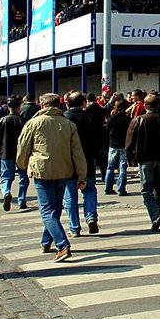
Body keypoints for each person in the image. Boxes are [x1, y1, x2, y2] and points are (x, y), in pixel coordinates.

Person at [16, 93, 88, 262]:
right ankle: (46, 241)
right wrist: (81, 175)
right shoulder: (68, 124)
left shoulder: (33, 123)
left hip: (42, 171)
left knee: (47, 210)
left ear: (42, 105)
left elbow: (23, 147)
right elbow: (77, 152)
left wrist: (23, 164)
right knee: (54, 208)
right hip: (64, 170)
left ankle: (62, 245)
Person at [125, 93, 160, 231]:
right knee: (159, 188)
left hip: (145, 158)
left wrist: (130, 157)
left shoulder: (138, 120)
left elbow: (129, 141)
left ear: (145, 105)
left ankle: (155, 215)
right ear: (158, 105)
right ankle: (157, 213)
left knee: (146, 189)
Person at [63, 92, 103, 236]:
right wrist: (94, 153)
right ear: (84, 103)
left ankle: (74, 227)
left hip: (68, 162)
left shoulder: (64, 119)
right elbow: (101, 138)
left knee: (70, 195)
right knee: (90, 190)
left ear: (67, 103)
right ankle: (91, 216)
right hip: (87, 160)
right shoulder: (90, 118)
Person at [0, 97, 28, 211]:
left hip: (5, 151)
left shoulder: (1, 121)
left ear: (9, 108)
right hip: (21, 153)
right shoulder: (22, 121)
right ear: (19, 108)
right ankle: (21, 200)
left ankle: (6, 192)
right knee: (23, 177)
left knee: (6, 177)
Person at [105, 102, 132, 195]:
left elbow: (107, 131)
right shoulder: (128, 119)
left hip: (113, 144)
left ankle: (108, 188)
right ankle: (121, 189)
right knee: (123, 168)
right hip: (124, 145)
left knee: (110, 167)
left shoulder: (111, 119)